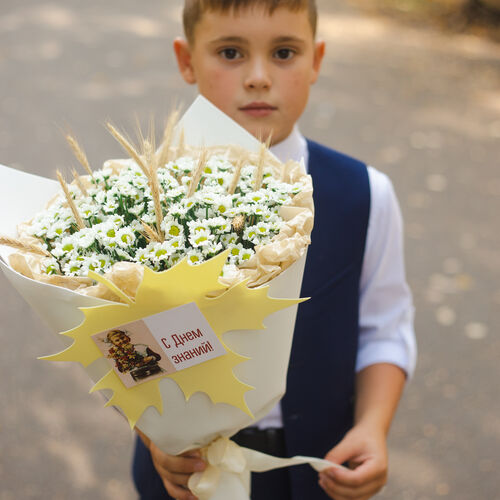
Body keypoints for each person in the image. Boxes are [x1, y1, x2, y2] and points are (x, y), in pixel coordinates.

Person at [132, 1, 416, 499]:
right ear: (187, 60)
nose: (259, 77)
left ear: (316, 60)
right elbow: (120, 340)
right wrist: (151, 432)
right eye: (230, 52)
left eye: (284, 52)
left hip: (318, 468)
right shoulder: (137, 197)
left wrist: (373, 427)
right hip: (183, 472)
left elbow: (384, 327)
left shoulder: (365, 193)